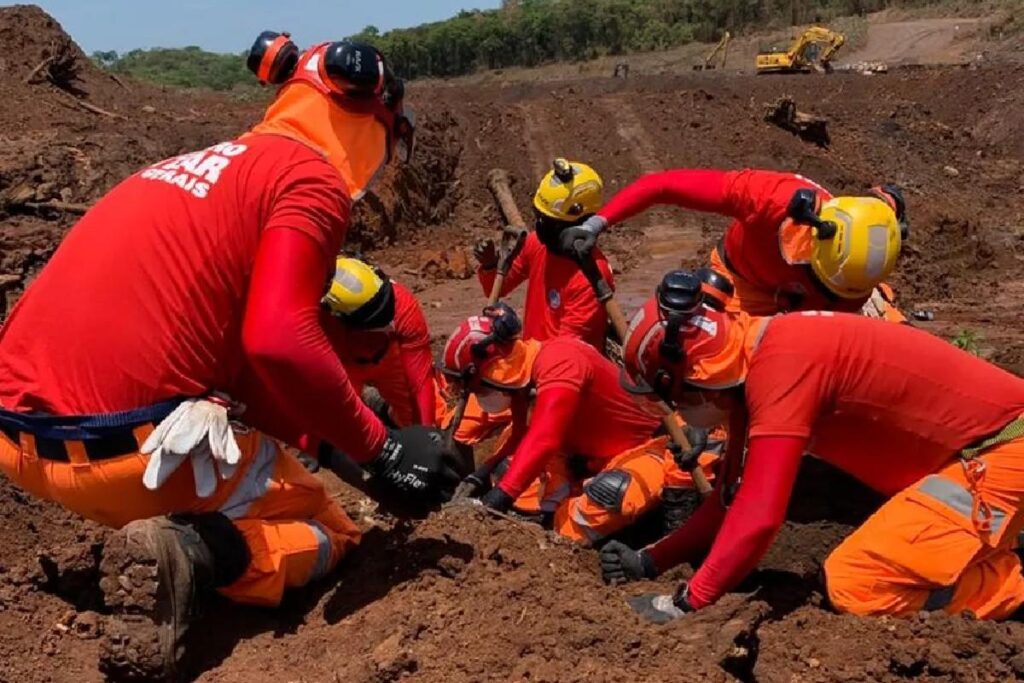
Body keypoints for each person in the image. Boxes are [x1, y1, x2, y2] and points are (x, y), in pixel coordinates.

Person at [0, 34, 460, 679]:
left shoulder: (191, 167)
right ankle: (199, 551)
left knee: (284, 458)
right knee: (332, 528)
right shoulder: (309, 179)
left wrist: (344, 446)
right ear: (372, 117)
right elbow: (277, 339)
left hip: (19, 443)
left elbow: (247, 369)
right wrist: (383, 453)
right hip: (128, 458)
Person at [600, 270, 1024, 623]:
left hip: (997, 454)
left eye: (675, 398)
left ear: (695, 377)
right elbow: (731, 500)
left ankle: (1012, 587)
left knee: (856, 582)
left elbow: (760, 517)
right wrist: (652, 561)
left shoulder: (782, 370)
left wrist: (686, 602)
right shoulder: (756, 353)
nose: (680, 411)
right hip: (978, 455)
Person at [440, 304, 716, 542]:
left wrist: (497, 500)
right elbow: (522, 435)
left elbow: (544, 439)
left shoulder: (560, 362)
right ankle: (554, 508)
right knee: (507, 469)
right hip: (583, 453)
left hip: (645, 446)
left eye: (476, 388)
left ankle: (579, 529)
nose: (478, 395)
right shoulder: (526, 371)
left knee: (606, 497)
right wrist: (479, 476)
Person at [558, 168, 908, 317]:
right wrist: (594, 224)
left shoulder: (861, 267)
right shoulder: (767, 198)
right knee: (710, 357)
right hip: (741, 284)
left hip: (810, 310)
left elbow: (887, 205)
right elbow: (662, 186)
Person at [459, 159, 614, 446]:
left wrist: (525, 383)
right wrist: (492, 264)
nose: (540, 226)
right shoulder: (539, 245)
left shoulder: (592, 276)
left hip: (559, 382)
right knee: (463, 425)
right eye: (538, 217)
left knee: (522, 448)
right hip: (525, 365)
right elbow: (500, 285)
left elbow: (565, 351)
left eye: (548, 223)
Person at [322, 257, 438, 428]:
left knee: (412, 417)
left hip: (388, 356)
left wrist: (428, 433)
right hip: (341, 363)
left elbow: (420, 382)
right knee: (343, 424)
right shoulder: (317, 321)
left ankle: (381, 408)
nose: (389, 321)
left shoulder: (402, 306)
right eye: (377, 320)